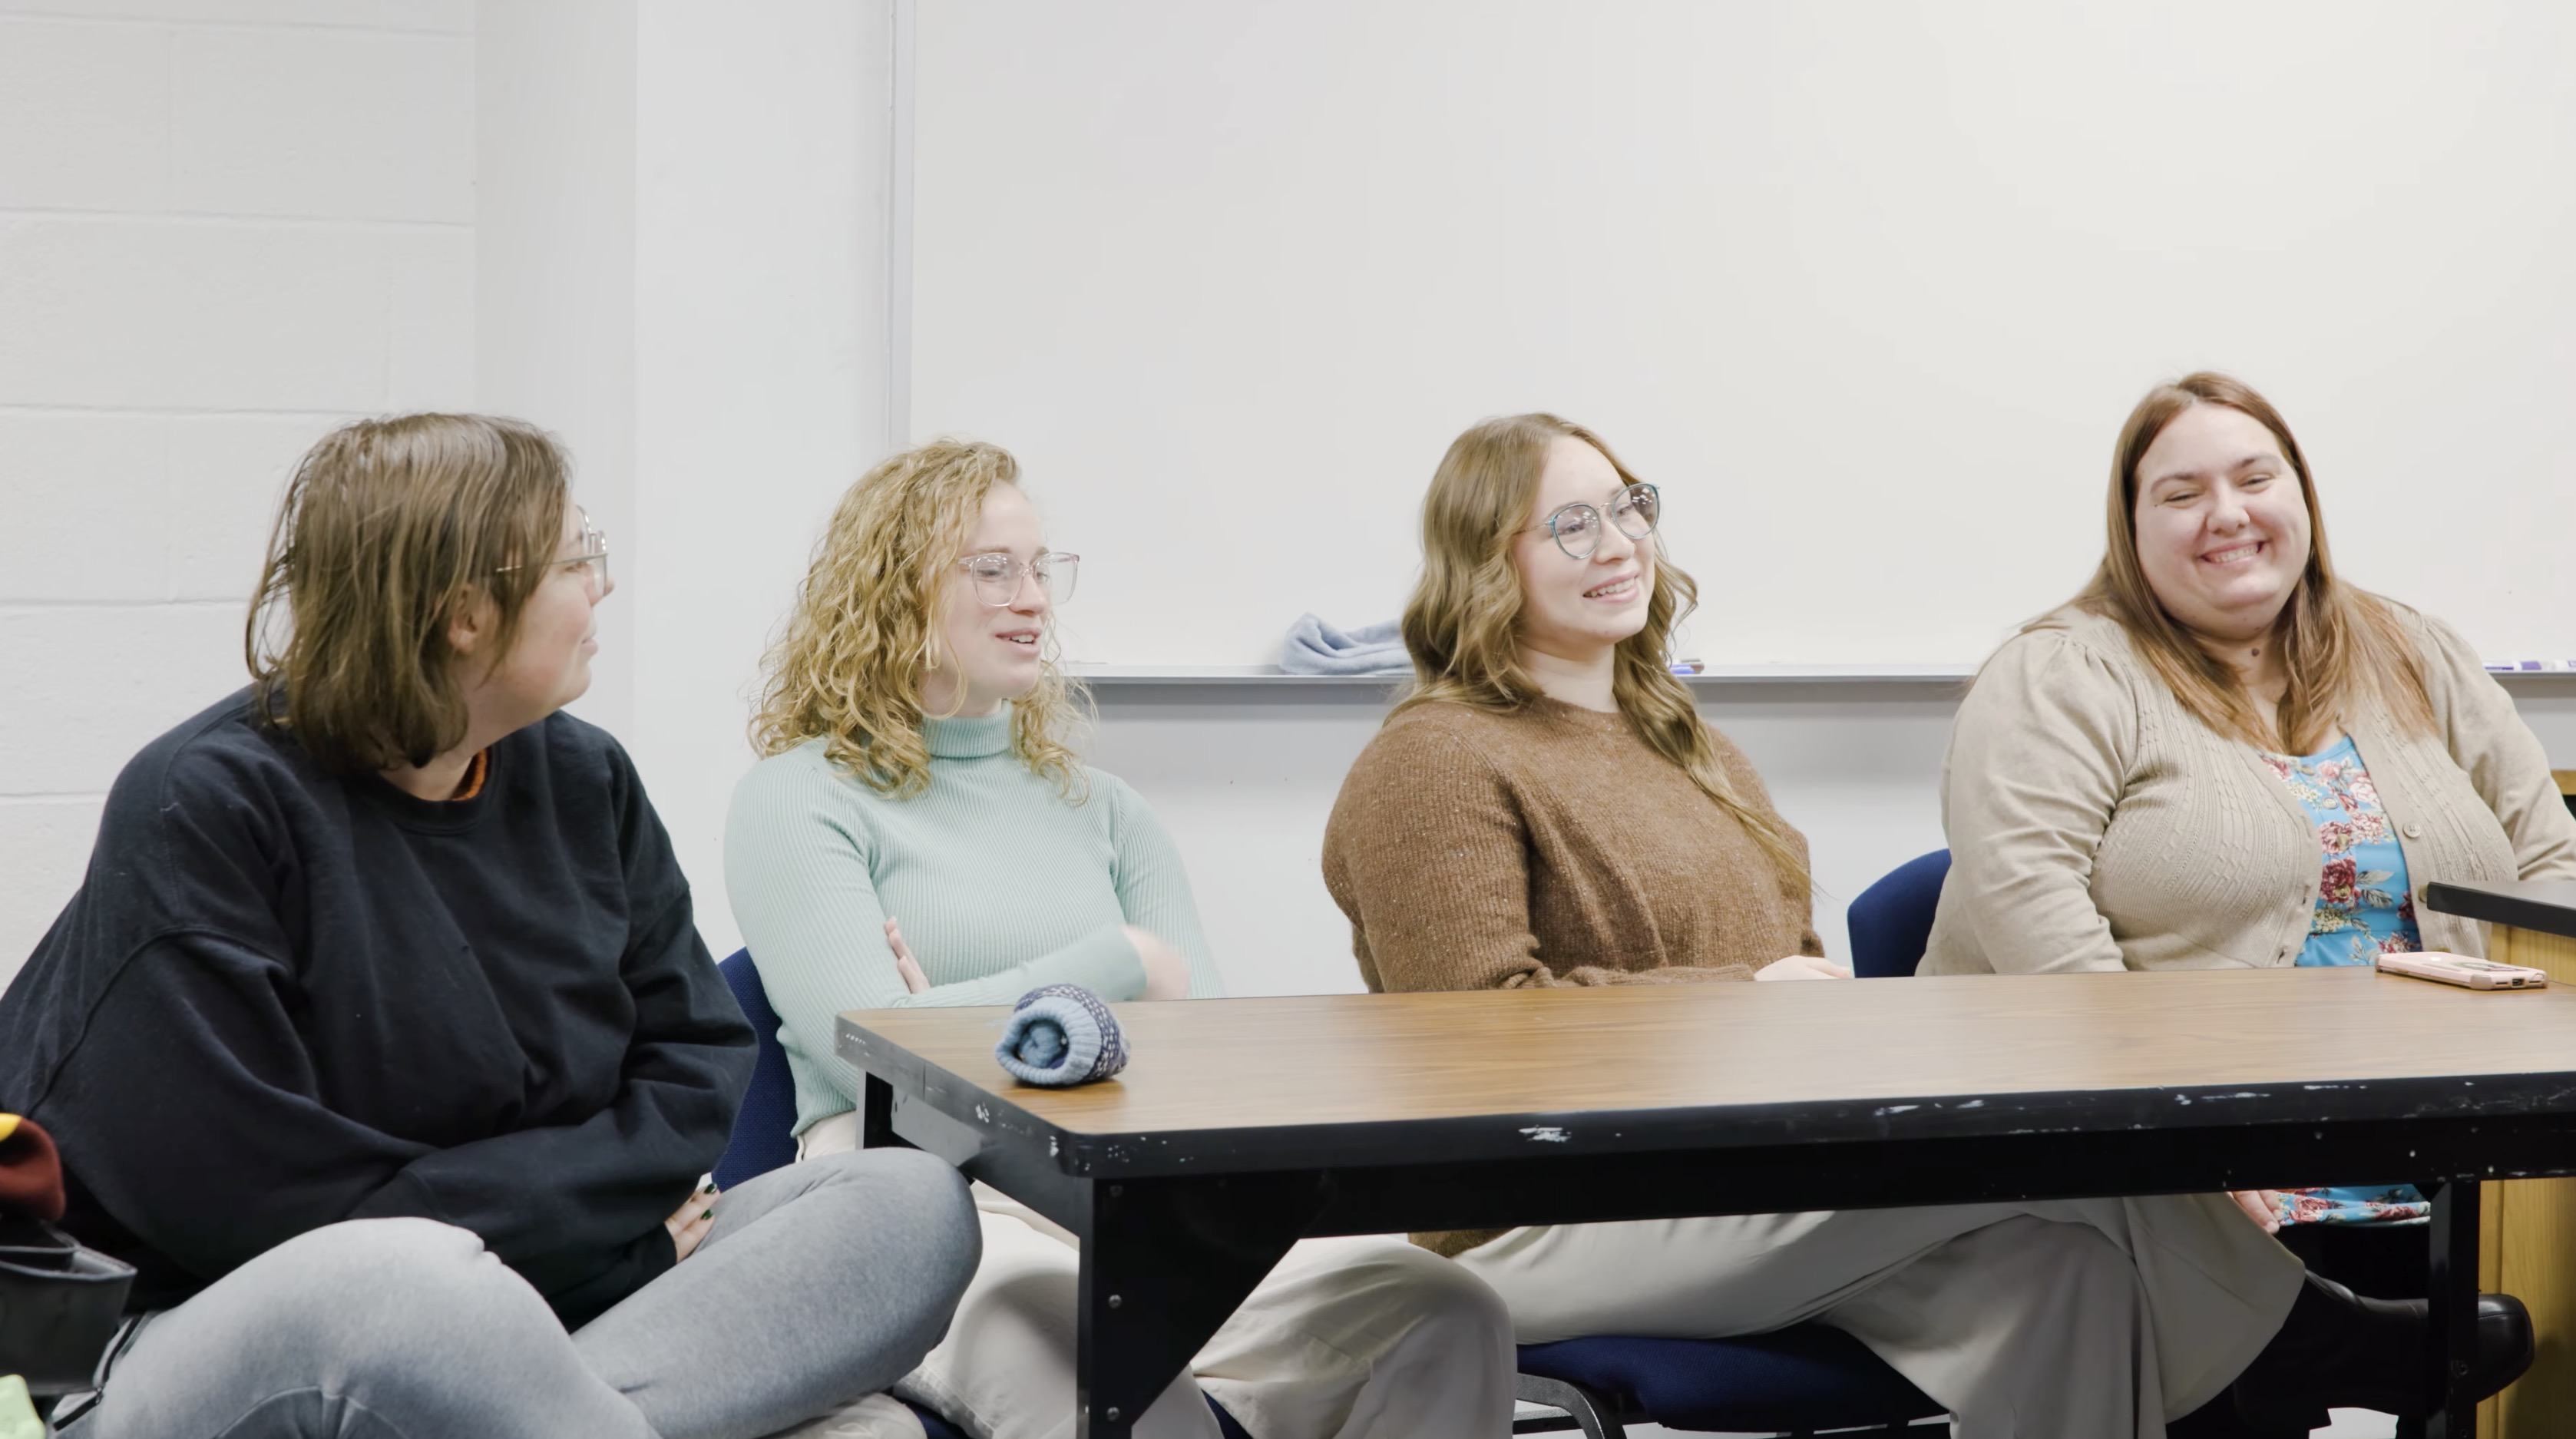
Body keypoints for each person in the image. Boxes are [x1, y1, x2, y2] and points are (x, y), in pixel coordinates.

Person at [1321, 410, 2529, 1437]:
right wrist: (1736, 1005)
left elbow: (1783, 979)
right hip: (1555, 1218)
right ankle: (2306, 1338)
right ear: (1488, 558)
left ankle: (2296, 1340)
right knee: (2053, 1148)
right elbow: (1468, 1037)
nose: (1620, 541)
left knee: (2064, 1270)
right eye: (1570, 522)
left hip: (1740, 1178)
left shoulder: (1695, 747)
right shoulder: (1436, 758)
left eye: (1629, 506)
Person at [0, 415, 980, 1439]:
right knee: (411, 1285)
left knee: (906, 1207)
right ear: (465, 611)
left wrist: (545, 1247)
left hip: (540, 1301)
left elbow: (694, 1060)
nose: (604, 585)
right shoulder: (204, 802)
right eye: (578, 558)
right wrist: (624, 1247)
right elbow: (262, 1212)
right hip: (171, 1330)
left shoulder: (586, 777)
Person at [723, 438, 1513, 1439]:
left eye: (1042, 567)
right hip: (912, 1204)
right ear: (890, 586)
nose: (1034, 598)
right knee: (1129, 1390)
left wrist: (967, 1015)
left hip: (1132, 1201)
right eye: (993, 568)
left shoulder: (1105, 808)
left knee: (1445, 1310)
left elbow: (1211, 1056)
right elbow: (873, 1041)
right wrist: (1116, 965)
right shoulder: (800, 796)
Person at [1919, 372, 2576, 1315]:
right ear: (2130, 528)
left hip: (2453, 1157)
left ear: (2300, 496)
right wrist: (2173, 1148)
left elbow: (2551, 873)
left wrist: (2542, 1115)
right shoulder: (2059, 673)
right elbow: (2037, 929)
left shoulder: (2410, 647)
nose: (2224, 515)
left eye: (2253, 479)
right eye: (2180, 495)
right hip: (2184, 1168)